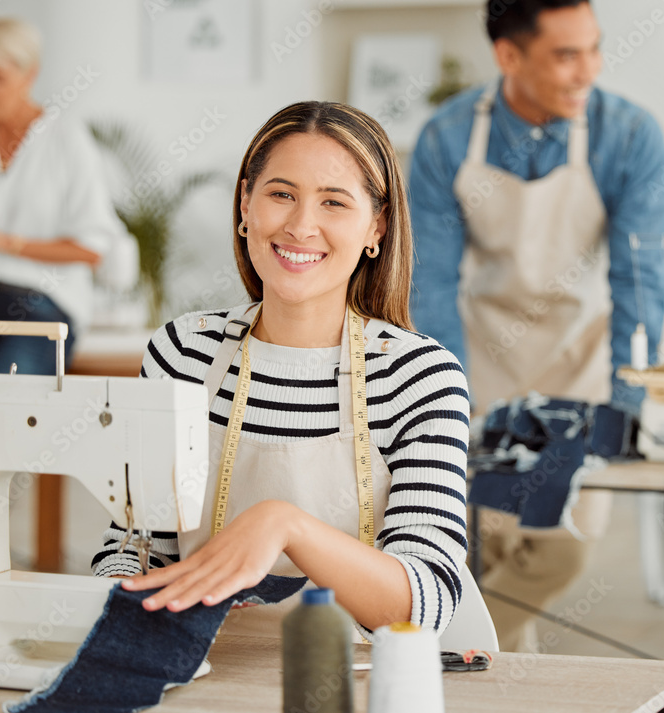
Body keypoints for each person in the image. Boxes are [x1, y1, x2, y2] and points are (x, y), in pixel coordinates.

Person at [91, 101, 470, 636]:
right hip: (199, 670)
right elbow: (134, 548)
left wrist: (285, 526)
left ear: (376, 227)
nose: (300, 225)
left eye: (334, 203)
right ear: (246, 202)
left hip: (352, 679)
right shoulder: (182, 354)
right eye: (281, 194)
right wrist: (116, 613)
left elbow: (423, 603)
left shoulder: (419, 377)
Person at [408, 0, 664, 650]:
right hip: (482, 362)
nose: (590, 69)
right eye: (566, 54)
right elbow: (430, 284)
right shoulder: (445, 139)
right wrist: (449, 401)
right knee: (491, 554)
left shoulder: (628, 134)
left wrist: (625, 406)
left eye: (594, 48)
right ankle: (484, 677)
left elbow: (640, 280)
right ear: (509, 56)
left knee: (561, 549)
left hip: (580, 367)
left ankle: (440, 647)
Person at [0, 17, 123, 374]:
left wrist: (6, 243)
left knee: (9, 408)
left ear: (29, 74)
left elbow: (93, 248)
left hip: (36, 307)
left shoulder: (67, 140)